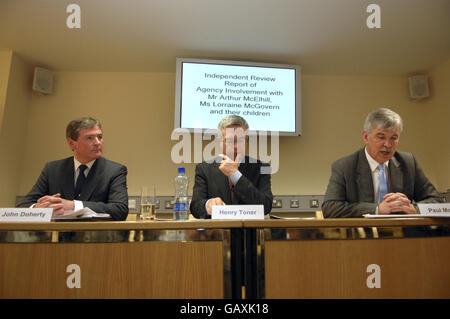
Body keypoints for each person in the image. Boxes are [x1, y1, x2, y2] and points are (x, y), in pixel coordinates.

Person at [322, 108, 443, 218]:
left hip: (404, 235)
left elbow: (436, 201)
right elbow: (330, 208)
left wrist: (413, 209)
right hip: (363, 237)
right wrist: (377, 209)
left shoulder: (408, 162)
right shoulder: (345, 166)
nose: (388, 145)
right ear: (365, 137)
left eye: (393, 138)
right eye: (381, 137)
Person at [17, 117, 129, 221]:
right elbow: (23, 206)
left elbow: (120, 210)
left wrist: (73, 205)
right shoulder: (52, 169)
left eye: (99, 137)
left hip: (96, 238)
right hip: (57, 238)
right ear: (71, 143)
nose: (97, 143)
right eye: (89, 138)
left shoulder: (115, 171)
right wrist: (38, 207)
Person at [190, 115, 273, 218]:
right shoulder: (204, 169)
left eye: (240, 140)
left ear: (246, 142)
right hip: (218, 232)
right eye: (229, 141)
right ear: (220, 142)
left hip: (249, 232)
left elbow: (266, 206)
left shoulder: (262, 168)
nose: (235, 146)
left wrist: (235, 175)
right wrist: (208, 204)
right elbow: (195, 207)